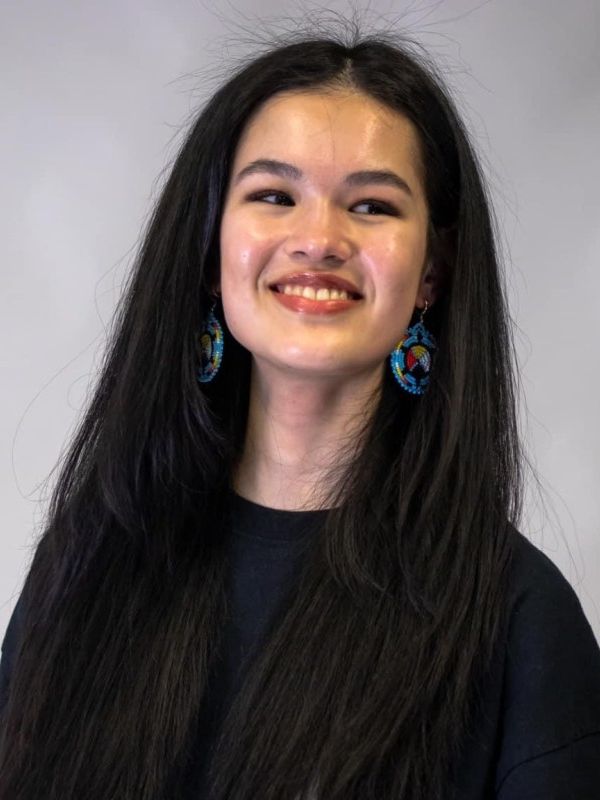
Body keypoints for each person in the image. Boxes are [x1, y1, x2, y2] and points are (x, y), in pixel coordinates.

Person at [1, 29, 600, 800]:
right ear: (213, 243)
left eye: (372, 205)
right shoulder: (87, 560)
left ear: (431, 273)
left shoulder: (521, 620)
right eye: (274, 196)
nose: (319, 239)